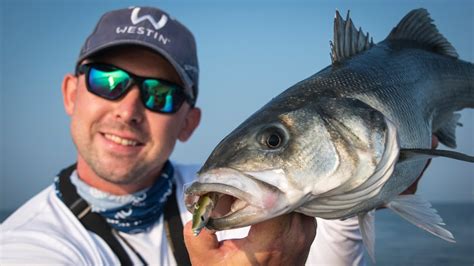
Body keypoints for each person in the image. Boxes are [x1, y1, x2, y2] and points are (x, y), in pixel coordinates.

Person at [0, 6, 433, 265]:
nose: (128, 109)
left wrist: (363, 191)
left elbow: (332, 251)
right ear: (71, 93)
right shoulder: (27, 247)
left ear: (189, 121)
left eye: (161, 94)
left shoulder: (246, 197)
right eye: (106, 80)